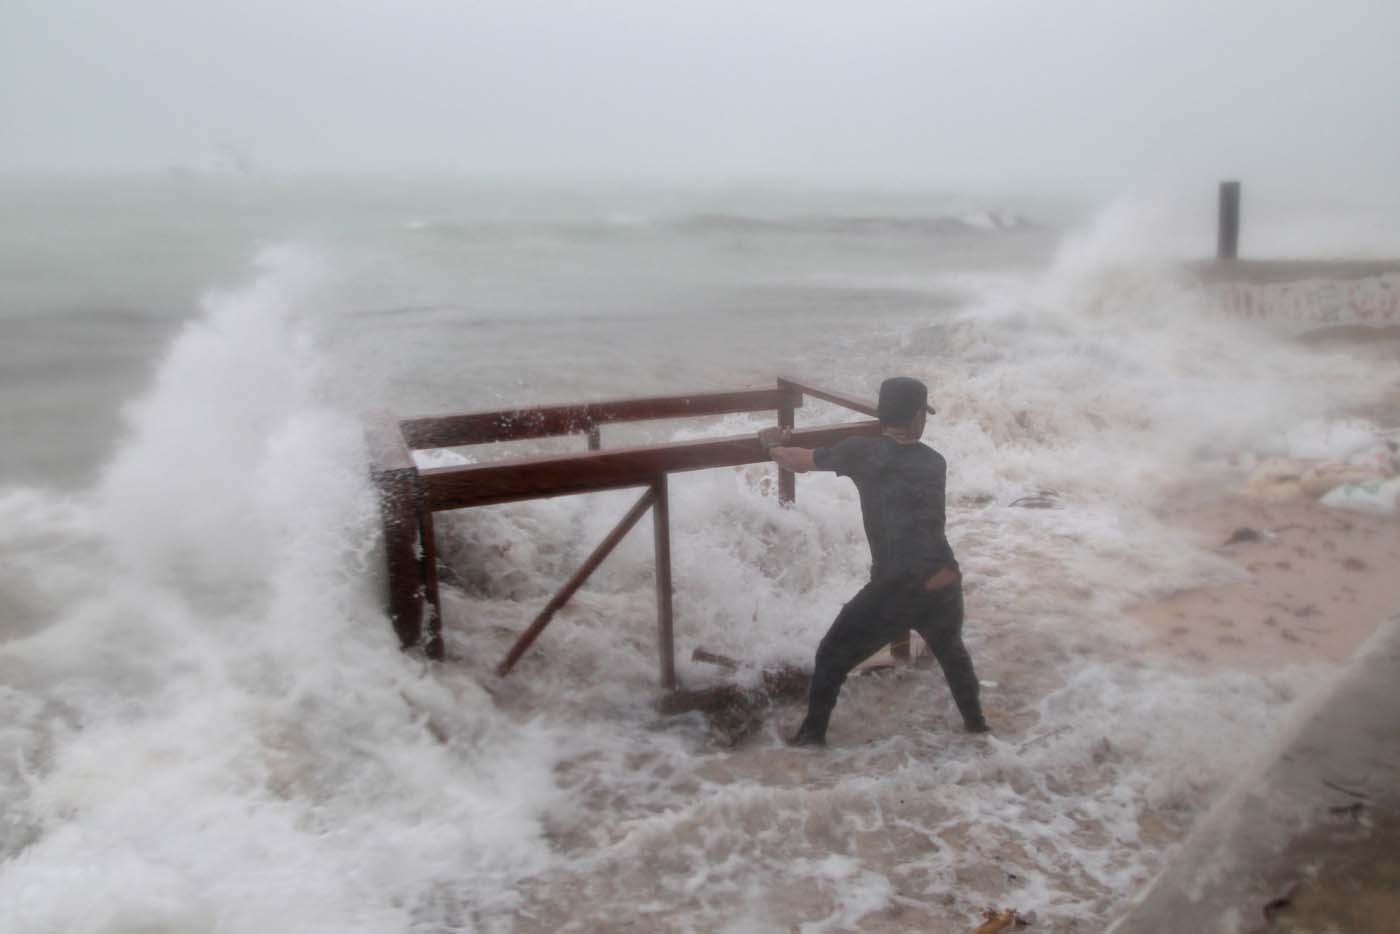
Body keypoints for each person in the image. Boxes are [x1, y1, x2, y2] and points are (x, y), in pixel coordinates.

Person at [757, 376, 988, 746]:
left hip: (896, 586)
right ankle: (980, 732)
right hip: (944, 577)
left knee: (832, 656)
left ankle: (810, 740)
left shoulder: (862, 452)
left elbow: (794, 461)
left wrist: (771, 442)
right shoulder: (935, 462)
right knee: (953, 656)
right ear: (916, 418)